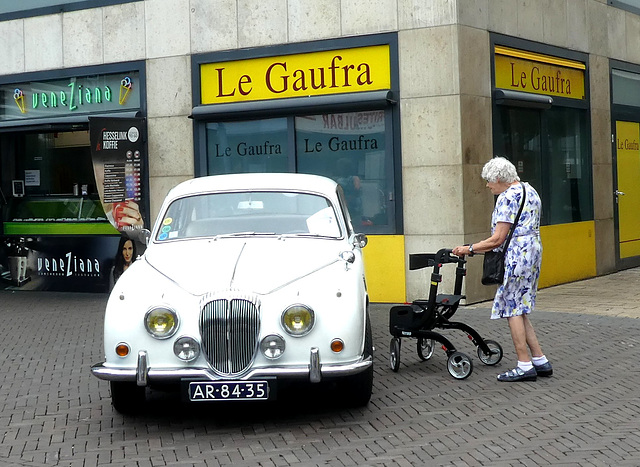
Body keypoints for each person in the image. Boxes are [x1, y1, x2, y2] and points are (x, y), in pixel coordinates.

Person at [453, 157, 552, 382]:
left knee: (512, 309)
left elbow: (498, 239)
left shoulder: (507, 197)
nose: (488, 186)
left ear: (498, 178)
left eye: (489, 181)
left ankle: (524, 364)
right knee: (521, 306)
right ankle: (540, 360)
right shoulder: (530, 190)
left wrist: (469, 249)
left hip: (517, 256)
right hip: (533, 252)